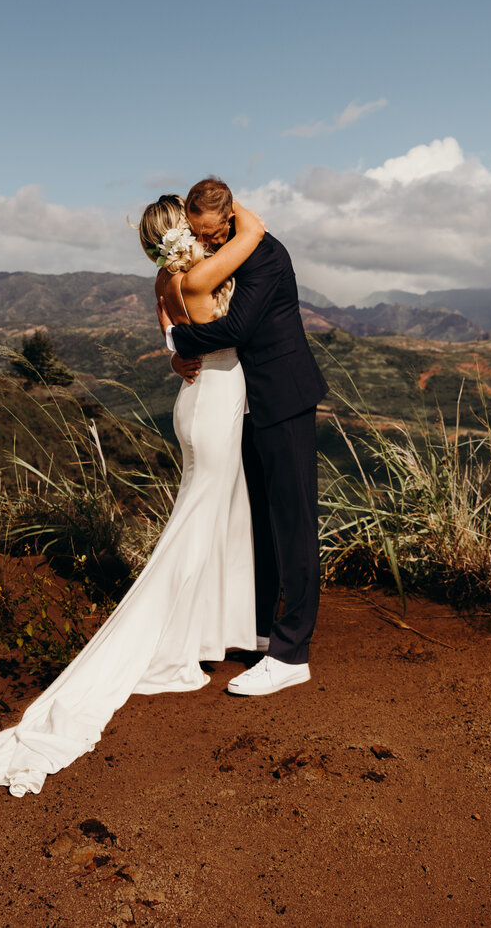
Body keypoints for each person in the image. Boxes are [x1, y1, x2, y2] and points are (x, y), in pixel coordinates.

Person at [0, 193, 267, 798]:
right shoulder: (203, 272)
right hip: (216, 401)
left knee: (214, 518)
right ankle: (171, 637)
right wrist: (231, 216)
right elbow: (253, 232)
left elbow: (171, 343)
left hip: (195, 400)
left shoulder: (164, 279)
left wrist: (183, 354)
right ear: (184, 231)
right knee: (197, 527)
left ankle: (214, 630)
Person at [168, 176, 328, 697]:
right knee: (260, 520)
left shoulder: (264, 255)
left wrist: (178, 338)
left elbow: (237, 328)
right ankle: (260, 632)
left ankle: (291, 654)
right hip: (248, 403)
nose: (206, 243)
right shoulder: (236, 247)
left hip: (284, 397)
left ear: (231, 218)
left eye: (211, 233)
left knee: (294, 522)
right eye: (198, 234)